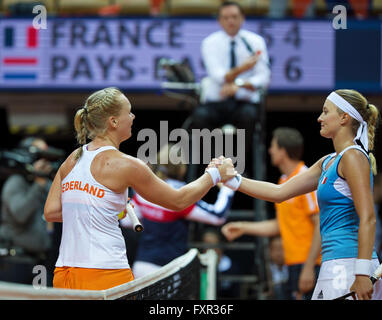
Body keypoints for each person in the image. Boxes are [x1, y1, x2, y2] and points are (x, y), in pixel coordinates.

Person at [43, 87, 236, 291]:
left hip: (63, 274)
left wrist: (102, 208)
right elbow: (178, 200)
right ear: (113, 121)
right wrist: (214, 175)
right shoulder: (127, 165)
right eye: (129, 112)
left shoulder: (72, 159)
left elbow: (51, 212)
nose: (133, 117)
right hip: (106, 275)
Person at [218, 89, 382, 300]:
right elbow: (279, 192)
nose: (319, 118)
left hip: (350, 265)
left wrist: (361, 272)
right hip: (332, 264)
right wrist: (232, 180)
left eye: (325, 111)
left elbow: (368, 217)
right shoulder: (328, 161)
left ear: (344, 117)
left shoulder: (353, 157)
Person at [221, 127, 321, 300]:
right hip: (293, 263)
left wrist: (309, 267)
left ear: (282, 151)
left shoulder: (306, 179)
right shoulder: (284, 181)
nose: (270, 150)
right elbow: (280, 224)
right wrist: (243, 227)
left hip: (310, 264)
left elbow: (321, 224)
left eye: (273, 146)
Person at [119, 143, 235, 278]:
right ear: (181, 168)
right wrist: (227, 189)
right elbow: (217, 215)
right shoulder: (181, 194)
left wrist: (153, 222)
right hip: (169, 269)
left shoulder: (143, 191)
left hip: (142, 264)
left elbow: (126, 222)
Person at [189, 1, 271, 177]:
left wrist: (238, 85)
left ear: (242, 19)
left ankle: (238, 167)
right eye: (226, 18)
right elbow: (219, 76)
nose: (230, 21)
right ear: (220, 21)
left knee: (249, 116)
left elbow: (263, 78)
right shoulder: (210, 42)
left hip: (243, 102)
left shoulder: (255, 42)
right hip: (217, 103)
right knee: (199, 117)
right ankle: (212, 169)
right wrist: (243, 69)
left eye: (234, 17)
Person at [0, 137, 53, 285]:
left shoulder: (45, 184)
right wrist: (38, 184)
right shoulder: (15, 182)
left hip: (40, 261)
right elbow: (20, 215)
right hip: (16, 262)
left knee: (42, 297)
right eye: (40, 155)